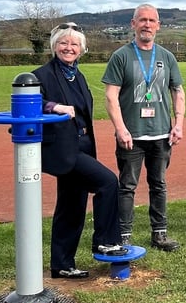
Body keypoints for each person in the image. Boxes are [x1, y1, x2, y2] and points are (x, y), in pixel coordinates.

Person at [34, 22, 125, 279]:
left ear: (82, 49)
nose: (69, 48)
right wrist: (54, 107)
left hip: (82, 145)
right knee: (108, 182)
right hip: (64, 150)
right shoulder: (41, 75)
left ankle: (62, 264)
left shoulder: (79, 76)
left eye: (74, 44)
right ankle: (106, 241)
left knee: (71, 205)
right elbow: (27, 100)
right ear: (54, 46)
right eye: (64, 43)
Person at [102, 4, 186, 252]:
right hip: (132, 135)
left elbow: (178, 91)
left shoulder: (166, 57)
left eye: (152, 20)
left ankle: (159, 234)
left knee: (158, 184)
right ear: (133, 24)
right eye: (142, 20)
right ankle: (124, 235)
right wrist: (120, 129)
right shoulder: (121, 56)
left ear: (158, 25)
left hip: (161, 134)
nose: (147, 25)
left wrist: (178, 124)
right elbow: (110, 96)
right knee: (127, 185)